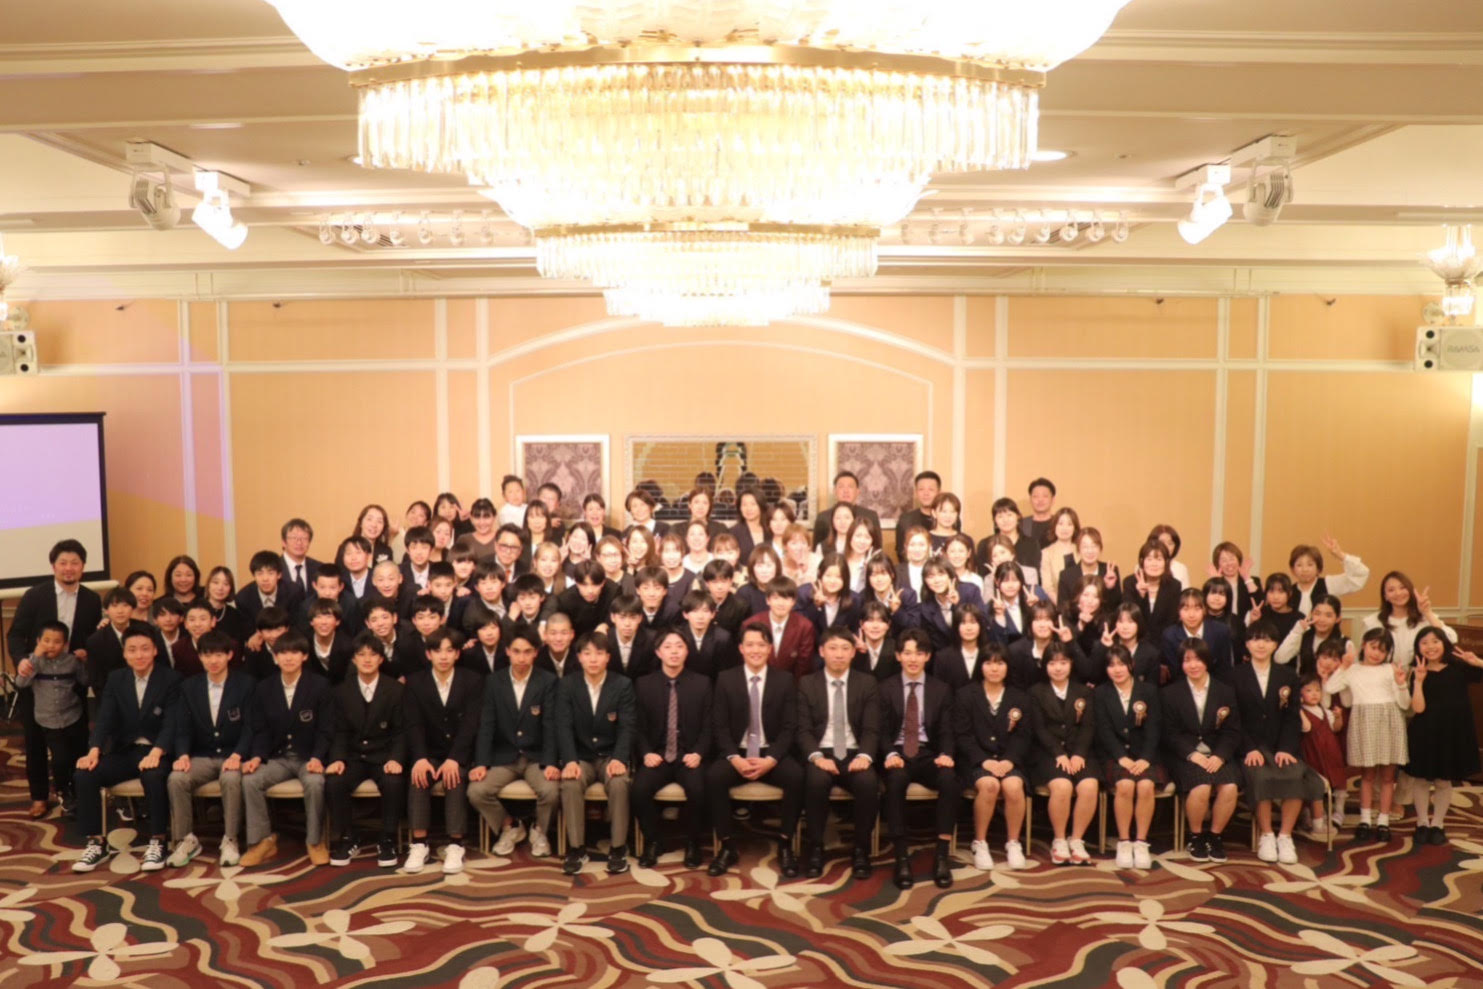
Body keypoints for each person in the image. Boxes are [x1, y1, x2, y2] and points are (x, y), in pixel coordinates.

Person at [7, 539, 104, 819]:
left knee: (77, 739)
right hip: (37, 678)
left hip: (72, 679)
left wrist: (87, 653)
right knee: (35, 741)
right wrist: (22, 659)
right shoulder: (35, 596)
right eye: (63, 563)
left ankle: (74, 791)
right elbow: (16, 634)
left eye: (75, 563)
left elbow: (91, 638)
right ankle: (39, 796)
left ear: (83, 567)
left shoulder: (91, 599)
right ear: (53, 566)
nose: (68, 568)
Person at [71, 627, 181, 872]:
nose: (139, 655)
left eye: (144, 649)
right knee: (85, 774)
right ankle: (96, 843)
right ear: (125, 653)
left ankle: (158, 841)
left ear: (155, 651)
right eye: (132, 650)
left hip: (158, 751)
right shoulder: (117, 679)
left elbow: (173, 722)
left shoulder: (171, 679)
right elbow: (104, 719)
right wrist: (94, 750)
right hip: (126, 750)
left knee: (153, 776)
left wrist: (157, 752)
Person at [706, 625, 804, 877]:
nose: (755, 650)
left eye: (761, 645)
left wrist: (771, 759)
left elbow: (790, 727)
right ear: (741, 648)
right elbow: (719, 726)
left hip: (770, 752)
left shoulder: (784, 680)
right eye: (749, 645)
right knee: (714, 777)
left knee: (796, 776)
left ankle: (785, 844)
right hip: (737, 752)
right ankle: (727, 846)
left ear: (770, 648)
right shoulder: (726, 679)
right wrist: (734, 758)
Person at [1234, 622, 1326, 864]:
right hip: (1250, 747)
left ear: (1275, 645)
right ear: (1247, 644)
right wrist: (1249, 748)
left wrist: (1286, 748)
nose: (1261, 645)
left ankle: (1285, 836)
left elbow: (1292, 716)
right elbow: (1234, 719)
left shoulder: (1288, 676)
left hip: (1281, 746)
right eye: (1255, 639)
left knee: (1294, 775)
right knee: (1261, 776)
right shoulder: (1235, 675)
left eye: (1267, 640)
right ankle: (1267, 835)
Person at [239, 632, 333, 868]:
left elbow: (326, 729)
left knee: (315, 782)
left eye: (294, 652)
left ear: (304, 656)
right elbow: (260, 729)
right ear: (275, 657)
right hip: (278, 757)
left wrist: (318, 757)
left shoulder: (319, 685)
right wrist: (257, 757)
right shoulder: (264, 688)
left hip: (308, 757)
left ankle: (315, 841)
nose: (288, 658)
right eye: (282, 653)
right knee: (250, 780)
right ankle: (263, 841)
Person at [467, 628, 560, 858]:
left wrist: (551, 762)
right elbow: (487, 725)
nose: (521, 658)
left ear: (536, 653)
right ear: (507, 651)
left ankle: (539, 831)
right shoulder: (494, 681)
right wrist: (481, 762)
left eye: (527, 652)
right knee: (476, 791)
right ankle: (510, 826)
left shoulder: (548, 681)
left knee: (551, 790)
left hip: (536, 757)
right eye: (516, 651)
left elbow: (551, 725)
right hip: (504, 756)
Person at [796, 626, 880, 880]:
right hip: (821, 752)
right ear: (822, 651)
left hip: (855, 752)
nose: (839, 654)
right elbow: (803, 730)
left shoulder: (867, 683)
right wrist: (817, 757)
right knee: (815, 782)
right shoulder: (807, 683)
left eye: (845, 649)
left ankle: (861, 850)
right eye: (833, 648)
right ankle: (816, 848)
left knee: (868, 783)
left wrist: (864, 756)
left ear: (854, 652)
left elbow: (872, 728)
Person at [164, 630, 253, 867]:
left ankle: (231, 839)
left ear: (229, 655)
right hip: (202, 755)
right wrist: (183, 754)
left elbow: (251, 727)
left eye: (218, 655)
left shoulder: (245, 684)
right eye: (207, 655)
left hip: (233, 754)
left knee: (231, 779)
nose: (213, 660)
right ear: (200, 657)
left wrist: (238, 754)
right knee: (176, 778)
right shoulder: (189, 687)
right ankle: (186, 840)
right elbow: (182, 727)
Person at [878, 628, 956, 889]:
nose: (913, 659)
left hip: (927, 753)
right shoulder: (885, 688)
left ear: (927, 656)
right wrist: (889, 754)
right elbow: (880, 731)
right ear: (898, 656)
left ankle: (942, 855)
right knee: (895, 781)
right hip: (898, 752)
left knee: (949, 780)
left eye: (919, 653)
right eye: (908, 653)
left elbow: (946, 730)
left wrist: (946, 754)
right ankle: (901, 857)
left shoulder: (941, 689)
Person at [555, 631, 636, 875]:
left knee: (620, 782)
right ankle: (577, 849)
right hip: (581, 756)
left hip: (610, 755)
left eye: (599, 653)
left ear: (608, 657)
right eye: (587, 653)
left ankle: (618, 848)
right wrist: (570, 760)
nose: (593, 659)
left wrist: (620, 758)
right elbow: (563, 726)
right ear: (579, 657)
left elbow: (627, 726)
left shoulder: (622, 684)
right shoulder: (567, 685)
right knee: (570, 783)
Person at [631, 628, 712, 869]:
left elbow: (709, 726)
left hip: (689, 755)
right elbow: (637, 726)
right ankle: (654, 841)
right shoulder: (643, 684)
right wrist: (646, 753)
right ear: (658, 652)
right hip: (658, 755)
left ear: (687, 651)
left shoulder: (703, 683)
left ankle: (693, 843)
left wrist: (699, 753)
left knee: (699, 790)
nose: (674, 652)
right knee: (638, 790)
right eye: (667, 647)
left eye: (679, 646)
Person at [325, 632, 408, 868]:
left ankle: (388, 839)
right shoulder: (341, 691)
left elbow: (401, 731)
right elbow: (340, 731)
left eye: (372, 655)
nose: (367, 659)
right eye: (361, 655)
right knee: (335, 781)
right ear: (354, 660)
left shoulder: (396, 690)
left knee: (394, 781)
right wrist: (338, 758)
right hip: (354, 756)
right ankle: (348, 837)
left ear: (381, 659)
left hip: (384, 755)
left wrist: (396, 758)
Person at [403, 627, 481, 874]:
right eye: (437, 651)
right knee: (418, 776)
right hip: (429, 752)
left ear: (457, 653)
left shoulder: (472, 680)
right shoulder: (415, 682)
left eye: (449, 650)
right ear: (429, 654)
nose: (444, 656)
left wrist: (455, 759)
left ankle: (456, 844)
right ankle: (419, 843)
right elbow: (413, 724)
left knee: (454, 776)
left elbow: (471, 725)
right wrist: (420, 758)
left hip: (460, 753)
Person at [1323, 628, 1411, 843]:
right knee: (1368, 775)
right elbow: (1331, 687)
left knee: (1388, 777)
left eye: (1382, 650)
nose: (1376, 653)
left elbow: (1405, 704)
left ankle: (1383, 821)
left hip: (1390, 721)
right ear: (1363, 645)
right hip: (1364, 721)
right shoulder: (1353, 670)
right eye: (1373, 647)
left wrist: (1401, 684)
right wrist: (1343, 666)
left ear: (1388, 653)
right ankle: (1364, 820)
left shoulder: (1390, 669)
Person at [1162, 639, 1241, 863]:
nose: (1193, 665)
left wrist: (1220, 756)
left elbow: (1232, 731)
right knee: (1202, 786)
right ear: (1181, 664)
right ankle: (1196, 836)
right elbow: (1168, 733)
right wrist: (1192, 754)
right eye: (1187, 660)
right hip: (1184, 755)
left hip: (1217, 753)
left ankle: (1215, 837)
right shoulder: (1170, 693)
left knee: (1230, 786)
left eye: (1198, 659)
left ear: (1207, 661)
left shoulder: (1225, 691)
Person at [954, 647, 1031, 871]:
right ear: (981, 666)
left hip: (1008, 760)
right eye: (988, 663)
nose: (994, 669)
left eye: (1000, 663)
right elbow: (962, 735)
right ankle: (980, 842)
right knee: (989, 785)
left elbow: (1024, 736)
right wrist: (983, 760)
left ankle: (1013, 842)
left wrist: (1009, 760)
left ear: (1007, 667)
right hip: (977, 760)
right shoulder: (965, 695)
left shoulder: (1020, 697)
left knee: (1014, 786)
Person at [1405, 628, 1483, 846]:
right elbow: (1418, 708)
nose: (1430, 647)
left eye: (1435, 641)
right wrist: (1419, 681)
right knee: (1421, 779)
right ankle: (1422, 822)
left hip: (1453, 731)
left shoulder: (1459, 666)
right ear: (1417, 647)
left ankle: (1438, 824)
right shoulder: (1417, 670)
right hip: (1425, 731)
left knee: (1443, 780)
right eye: (1424, 643)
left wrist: (1477, 662)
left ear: (1444, 643)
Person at [1093, 643, 1162, 870]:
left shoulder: (1148, 691)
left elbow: (1154, 728)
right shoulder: (1100, 693)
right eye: (1111, 665)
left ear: (1131, 665)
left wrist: (1145, 758)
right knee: (1125, 785)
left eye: (1122, 664)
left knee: (1145, 786)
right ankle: (1124, 842)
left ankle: (1141, 842)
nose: (1117, 669)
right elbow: (1103, 730)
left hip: (1145, 754)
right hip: (1115, 756)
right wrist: (1121, 757)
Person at [1029, 643, 1098, 865]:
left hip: (1079, 751)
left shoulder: (1084, 692)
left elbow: (1088, 726)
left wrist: (1079, 754)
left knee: (1089, 786)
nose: (1058, 668)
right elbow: (1039, 728)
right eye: (1052, 663)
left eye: (1063, 662)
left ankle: (1076, 840)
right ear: (1045, 666)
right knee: (1062, 786)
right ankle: (1059, 840)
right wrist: (1058, 753)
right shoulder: (1036, 692)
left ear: (1071, 664)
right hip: (1048, 753)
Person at [13, 621, 88, 818]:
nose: (51, 645)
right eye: (46, 640)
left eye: (57, 641)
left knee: (76, 756)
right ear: (38, 641)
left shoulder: (71, 661)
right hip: (48, 720)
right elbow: (21, 682)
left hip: (72, 716)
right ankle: (62, 791)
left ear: (65, 644)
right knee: (60, 758)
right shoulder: (33, 662)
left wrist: (84, 660)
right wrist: (35, 657)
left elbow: (85, 680)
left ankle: (77, 792)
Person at [1362, 571, 1457, 670]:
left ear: (1410, 590)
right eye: (1391, 590)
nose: (1398, 593)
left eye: (1402, 587)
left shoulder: (1424, 618)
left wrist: (1427, 613)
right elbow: (1364, 656)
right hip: (1384, 675)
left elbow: (1451, 639)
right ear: (1385, 596)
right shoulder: (1373, 622)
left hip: (1420, 674)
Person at [1298, 674, 1346, 839]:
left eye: (1317, 690)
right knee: (1315, 784)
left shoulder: (1325, 711)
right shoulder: (1302, 712)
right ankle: (1312, 816)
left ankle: (1337, 811)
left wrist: (1338, 717)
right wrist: (1297, 707)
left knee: (1336, 779)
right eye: (1309, 691)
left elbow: (1336, 728)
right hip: (1313, 753)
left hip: (1330, 752)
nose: (1314, 694)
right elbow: (1306, 728)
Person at [742, 578, 817, 680]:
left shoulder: (804, 626)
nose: (781, 603)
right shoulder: (751, 624)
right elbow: (747, 659)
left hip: (791, 682)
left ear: (793, 601)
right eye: (776, 598)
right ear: (768, 600)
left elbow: (803, 665)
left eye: (786, 598)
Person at [85, 587, 155, 690]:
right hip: (114, 693)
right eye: (114, 606)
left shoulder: (146, 630)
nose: (120, 611)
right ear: (106, 610)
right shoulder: (95, 641)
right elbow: (97, 680)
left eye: (125, 605)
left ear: (133, 608)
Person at [1160, 588, 1235, 682]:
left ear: (1204, 610)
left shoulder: (1221, 631)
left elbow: (1224, 668)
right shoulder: (1169, 635)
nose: (1191, 615)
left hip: (1215, 684)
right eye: (1185, 609)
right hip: (1183, 685)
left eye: (1197, 609)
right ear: (1178, 611)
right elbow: (1175, 672)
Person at [1288, 537, 1370, 615]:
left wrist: (1340, 555)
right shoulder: (1288, 592)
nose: (1305, 569)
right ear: (1293, 569)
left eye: (1310, 564)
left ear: (1318, 568)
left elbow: (1360, 575)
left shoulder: (1329, 584)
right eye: (1299, 565)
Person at [1123, 541, 1180, 640]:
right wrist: (1141, 596)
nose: (1154, 564)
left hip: (1163, 641)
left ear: (1166, 562)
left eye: (1159, 559)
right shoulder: (1130, 583)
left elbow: (1172, 621)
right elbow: (1129, 617)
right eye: (1149, 559)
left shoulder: (1174, 586)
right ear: (1142, 561)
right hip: (1136, 640)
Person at [811, 471, 881, 548]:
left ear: (858, 491)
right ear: (835, 491)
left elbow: (877, 547)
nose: (846, 491)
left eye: (850, 487)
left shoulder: (870, 516)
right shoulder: (823, 517)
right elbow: (816, 548)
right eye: (841, 487)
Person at [237, 551, 302, 626]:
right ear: (254, 575)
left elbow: (295, 625)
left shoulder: (293, 592)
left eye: (270, 573)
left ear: (279, 575)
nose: (265, 579)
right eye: (260, 573)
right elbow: (247, 630)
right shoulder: (243, 598)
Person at [895, 471, 948, 560]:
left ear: (939, 492)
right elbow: (901, 552)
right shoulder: (906, 519)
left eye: (931, 489)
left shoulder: (948, 519)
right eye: (921, 489)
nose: (926, 493)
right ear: (916, 492)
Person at [1038, 507, 1080, 602]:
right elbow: (1047, 587)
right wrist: (1061, 605)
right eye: (1060, 524)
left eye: (1069, 524)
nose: (1064, 528)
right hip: (1057, 604)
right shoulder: (1046, 553)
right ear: (1054, 526)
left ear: (1075, 528)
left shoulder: (1081, 549)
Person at [280, 518, 321, 596]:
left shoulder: (319, 568)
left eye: (304, 538)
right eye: (294, 538)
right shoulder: (274, 569)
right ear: (283, 542)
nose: (299, 542)